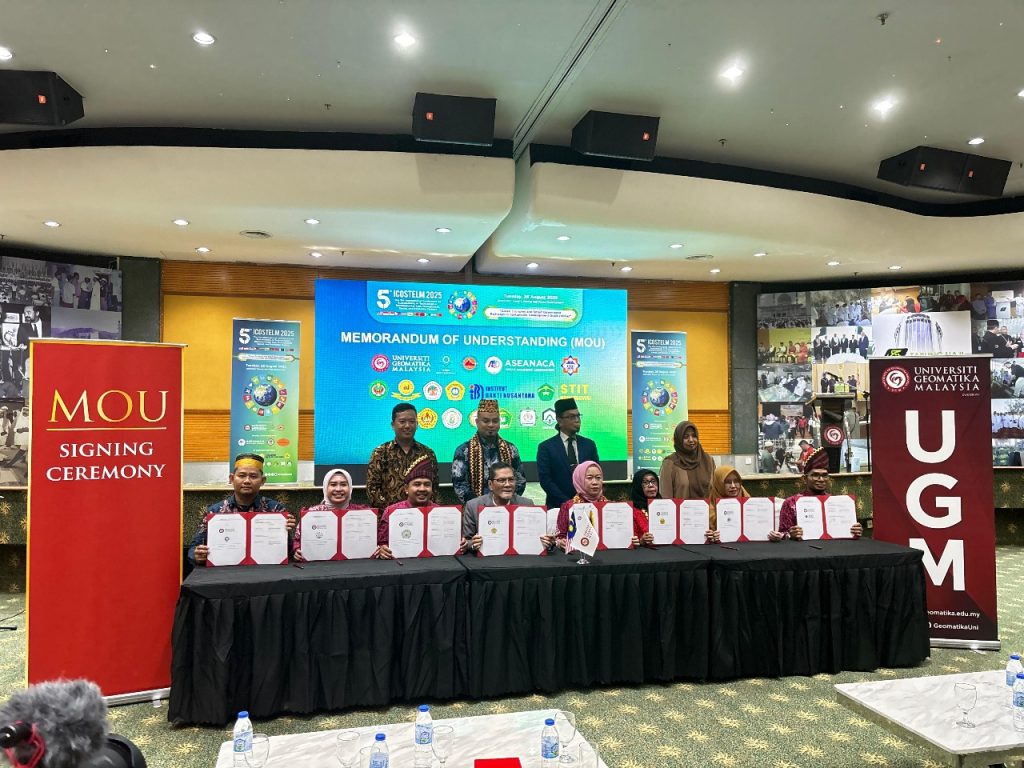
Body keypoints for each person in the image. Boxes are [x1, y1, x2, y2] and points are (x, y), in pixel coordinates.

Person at [188, 453, 295, 565]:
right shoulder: (214, 512)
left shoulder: (276, 510)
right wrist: (197, 555)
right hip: (225, 570)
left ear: (263, 481)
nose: (247, 481)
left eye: (253, 476)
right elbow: (193, 548)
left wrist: (285, 531)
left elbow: (288, 550)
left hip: (265, 569)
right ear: (231, 478)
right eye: (242, 475)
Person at [376, 455, 472, 558]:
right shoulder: (391, 512)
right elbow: (381, 543)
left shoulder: (441, 513)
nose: (422, 489)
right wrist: (382, 549)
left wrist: (462, 544)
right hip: (401, 563)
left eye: (427, 484)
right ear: (406, 489)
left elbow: (457, 542)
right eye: (417, 484)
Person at [770, 448, 862, 541]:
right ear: (804, 479)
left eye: (825, 475)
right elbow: (782, 533)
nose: (821, 479)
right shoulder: (791, 503)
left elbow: (845, 531)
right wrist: (790, 534)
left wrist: (855, 531)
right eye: (815, 475)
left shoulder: (836, 502)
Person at [555, 460, 648, 548]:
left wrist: (633, 540)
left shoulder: (614, 508)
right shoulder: (568, 507)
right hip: (579, 556)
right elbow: (560, 536)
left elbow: (625, 535)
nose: (595, 482)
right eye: (589, 478)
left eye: (598, 478)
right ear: (579, 480)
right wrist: (560, 542)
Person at [463, 462, 552, 552]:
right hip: (487, 558)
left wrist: (547, 542)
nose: (507, 484)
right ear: (490, 485)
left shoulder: (527, 504)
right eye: (501, 480)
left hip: (520, 557)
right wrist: (473, 544)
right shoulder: (473, 506)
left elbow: (537, 538)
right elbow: (466, 541)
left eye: (511, 479)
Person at [451, 399, 525, 505]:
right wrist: (478, 506)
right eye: (486, 421)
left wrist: (506, 500)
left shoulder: (511, 449)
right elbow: (459, 484)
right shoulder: (464, 450)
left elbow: (520, 480)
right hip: (475, 509)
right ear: (477, 422)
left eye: (495, 421)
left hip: (507, 506)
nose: (491, 425)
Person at [366, 403, 439, 511]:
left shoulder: (427, 453)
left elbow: (434, 489)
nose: (407, 426)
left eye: (412, 421)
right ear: (393, 425)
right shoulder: (380, 453)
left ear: (417, 424)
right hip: (389, 516)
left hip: (422, 515)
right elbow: (372, 489)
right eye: (402, 421)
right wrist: (391, 513)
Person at [293, 468, 373, 561]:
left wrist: (378, 548)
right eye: (333, 484)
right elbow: (297, 541)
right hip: (320, 565)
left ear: (350, 488)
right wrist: (297, 550)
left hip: (355, 564)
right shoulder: (311, 514)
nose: (338, 489)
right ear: (325, 487)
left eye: (343, 484)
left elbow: (373, 540)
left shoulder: (363, 514)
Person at [536, 397, 599, 509]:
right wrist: (569, 503)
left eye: (578, 416)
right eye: (572, 417)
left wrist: (583, 501)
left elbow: (596, 474)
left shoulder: (589, 445)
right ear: (559, 421)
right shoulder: (546, 447)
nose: (577, 420)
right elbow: (546, 480)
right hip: (558, 506)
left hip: (587, 505)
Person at [659, 421, 716, 499]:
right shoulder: (670, 463)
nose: (691, 440)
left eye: (694, 436)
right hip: (679, 507)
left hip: (706, 507)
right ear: (679, 439)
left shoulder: (708, 460)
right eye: (686, 437)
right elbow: (666, 497)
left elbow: (714, 491)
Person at [707, 465, 752, 543]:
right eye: (727, 482)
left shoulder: (747, 499)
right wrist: (710, 536)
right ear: (718, 484)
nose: (733, 486)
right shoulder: (707, 509)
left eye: (736, 481)